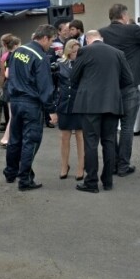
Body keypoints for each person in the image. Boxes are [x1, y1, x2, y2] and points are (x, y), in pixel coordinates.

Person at [99, 3, 140, 176]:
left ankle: (112, 165)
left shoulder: (101, 33)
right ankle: (123, 166)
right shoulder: (132, 30)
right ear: (124, 16)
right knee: (127, 128)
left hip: (109, 87)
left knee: (111, 129)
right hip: (129, 86)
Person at [71, 30, 134, 193]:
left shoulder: (84, 51)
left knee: (91, 142)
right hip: (111, 103)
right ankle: (107, 181)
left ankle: (91, 182)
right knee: (109, 141)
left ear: (88, 40)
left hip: (90, 104)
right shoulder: (118, 53)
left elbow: (74, 76)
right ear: (101, 38)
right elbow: (128, 79)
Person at [4, 24, 58, 191]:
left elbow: (10, 75)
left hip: (15, 101)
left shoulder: (18, 51)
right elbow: (45, 86)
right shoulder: (41, 57)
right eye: (51, 41)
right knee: (31, 141)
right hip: (31, 103)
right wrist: (52, 110)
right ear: (44, 38)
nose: (51, 45)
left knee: (15, 139)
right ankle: (25, 179)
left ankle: (10, 172)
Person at [56, 39, 85, 180]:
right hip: (64, 104)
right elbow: (54, 86)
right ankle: (64, 165)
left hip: (79, 104)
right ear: (68, 51)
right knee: (64, 137)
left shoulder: (84, 64)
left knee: (80, 136)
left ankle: (81, 166)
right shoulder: (60, 64)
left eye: (77, 51)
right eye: (73, 51)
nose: (75, 53)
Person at [0, 35, 22, 147]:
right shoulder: (14, 56)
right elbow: (7, 73)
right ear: (16, 45)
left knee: (12, 115)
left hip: (8, 87)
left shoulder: (5, 55)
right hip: (12, 87)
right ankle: (6, 138)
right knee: (13, 115)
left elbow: (4, 73)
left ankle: (8, 138)